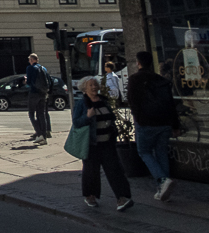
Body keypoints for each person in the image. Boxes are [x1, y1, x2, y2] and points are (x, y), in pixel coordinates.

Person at [73, 76, 133, 211]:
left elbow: (111, 117)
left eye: (95, 84)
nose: (94, 87)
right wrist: (87, 117)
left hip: (107, 143)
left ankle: (122, 198)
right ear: (84, 89)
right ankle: (90, 196)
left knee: (115, 170)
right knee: (91, 172)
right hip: (91, 144)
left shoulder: (103, 101)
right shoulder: (82, 104)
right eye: (91, 85)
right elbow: (76, 122)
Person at [127, 50, 180, 201]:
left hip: (146, 122)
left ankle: (162, 181)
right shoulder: (160, 79)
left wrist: (139, 119)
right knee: (161, 152)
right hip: (164, 122)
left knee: (144, 151)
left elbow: (132, 102)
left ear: (138, 63)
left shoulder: (135, 79)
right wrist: (175, 124)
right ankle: (162, 188)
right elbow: (170, 103)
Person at [25, 53, 53, 145]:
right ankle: (44, 137)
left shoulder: (30, 68)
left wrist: (25, 80)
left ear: (32, 60)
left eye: (30, 60)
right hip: (43, 93)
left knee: (31, 113)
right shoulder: (43, 68)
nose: (29, 62)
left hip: (34, 93)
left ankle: (39, 133)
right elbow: (50, 80)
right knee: (41, 114)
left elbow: (29, 82)